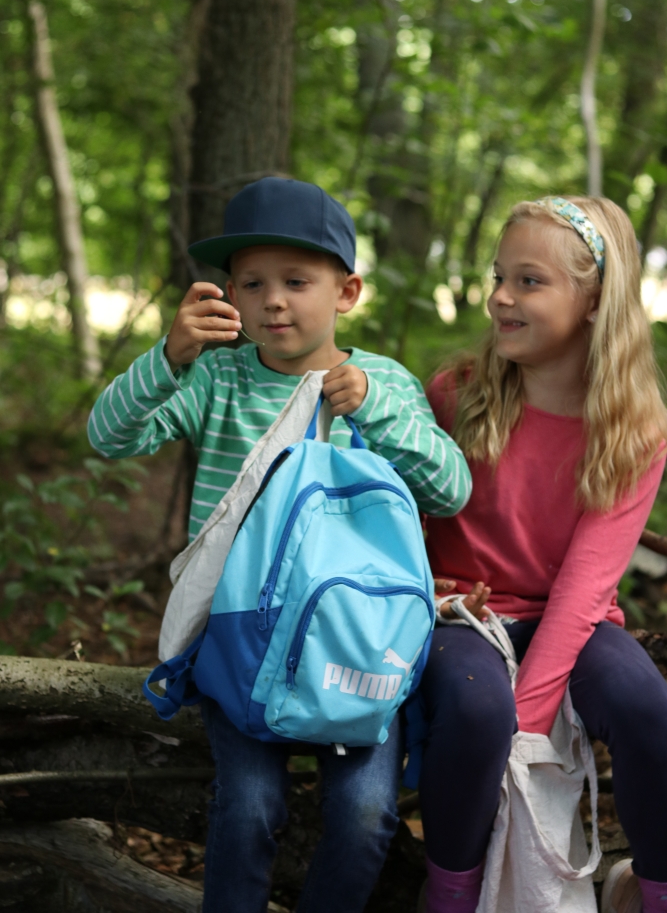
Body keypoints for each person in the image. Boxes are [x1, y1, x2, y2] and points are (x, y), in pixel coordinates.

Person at [88, 176, 471, 913]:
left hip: (355, 643)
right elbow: (110, 437)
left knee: (365, 815)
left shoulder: (382, 381)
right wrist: (168, 357)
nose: (274, 300)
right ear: (228, 292)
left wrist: (376, 411)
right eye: (252, 283)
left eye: (297, 281)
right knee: (248, 808)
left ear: (347, 291)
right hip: (239, 640)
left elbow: (449, 489)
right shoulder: (215, 378)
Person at [418, 195, 667, 913]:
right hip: (458, 615)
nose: (499, 297)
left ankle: (653, 892)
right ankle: (451, 895)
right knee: (474, 711)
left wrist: (530, 726)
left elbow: (586, 588)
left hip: (571, 619)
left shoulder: (631, 430)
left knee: (647, 707)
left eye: (528, 281)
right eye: (499, 277)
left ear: (592, 299)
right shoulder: (456, 395)